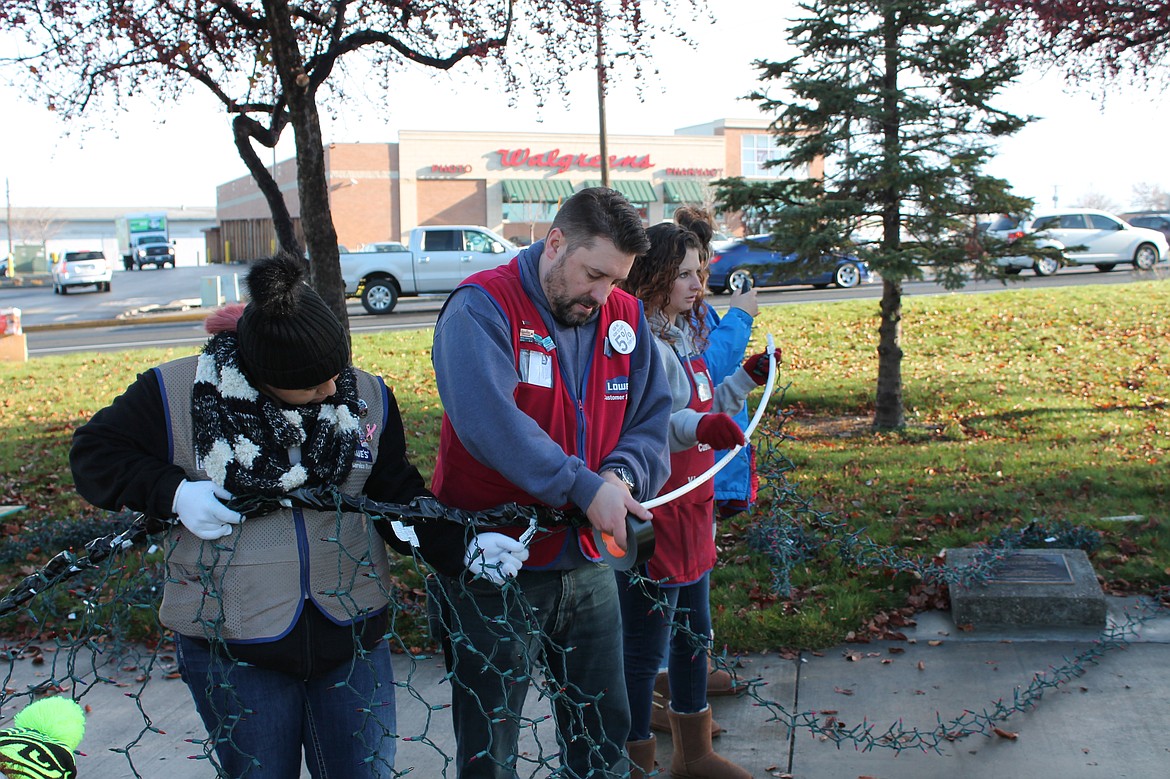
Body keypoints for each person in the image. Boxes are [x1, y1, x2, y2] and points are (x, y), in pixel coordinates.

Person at [70, 254, 430, 778]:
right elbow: (94, 456)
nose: (331, 390)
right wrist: (174, 493)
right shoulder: (176, 394)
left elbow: (395, 495)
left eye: (336, 372)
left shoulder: (366, 395)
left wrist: (461, 544)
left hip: (352, 636)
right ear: (262, 377)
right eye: (311, 385)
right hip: (232, 647)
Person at [423, 187, 673, 779]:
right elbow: (492, 425)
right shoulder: (482, 309)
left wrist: (618, 477)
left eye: (615, 280)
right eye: (593, 275)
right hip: (494, 566)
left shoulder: (625, 317)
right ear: (554, 243)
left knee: (601, 729)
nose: (602, 295)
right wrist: (585, 489)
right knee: (491, 744)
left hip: (588, 564)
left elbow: (650, 420)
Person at [616, 222, 777, 779]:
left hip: (695, 512)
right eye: (684, 273)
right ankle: (635, 757)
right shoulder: (643, 345)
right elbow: (660, 424)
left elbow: (709, 402)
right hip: (655, 515)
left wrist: (745, 381)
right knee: (643, 650)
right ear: (654, 276)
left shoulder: (686, 337)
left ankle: (694, 752)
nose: (697, 283)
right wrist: (704, 426)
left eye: (700, 272)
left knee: (693, 633)